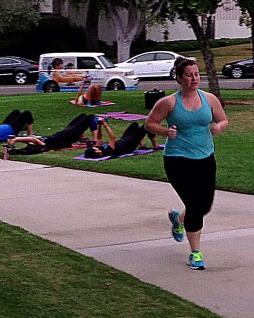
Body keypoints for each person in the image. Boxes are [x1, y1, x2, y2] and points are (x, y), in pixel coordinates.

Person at [145, 56, 228, 271]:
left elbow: (223, 119)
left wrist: (219, 127)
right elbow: (150, 123)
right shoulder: (169, 102)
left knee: (204, 206)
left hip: (205, 158)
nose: (194, 78)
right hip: (177, 160)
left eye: (197, 74)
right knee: (194, 205)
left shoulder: (209, 99)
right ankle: (196, 253)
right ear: (179, 78)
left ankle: (178, 218)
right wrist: (166, 131)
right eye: (189, 75)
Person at [6, 113, 98, 152]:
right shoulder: (44, 145)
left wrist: (14, 139)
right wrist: (16, 139)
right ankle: (95, 140)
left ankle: (82, 137)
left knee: (82, 116)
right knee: (90, 117)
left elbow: (29, 140)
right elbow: (32, 139)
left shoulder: (41, 141)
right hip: (69, 136)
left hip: (64, 132)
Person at [84, 119, 159, 158]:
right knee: (147, 125)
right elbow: (112, 138)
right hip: (128, 145)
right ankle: (155, 146)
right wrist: (105, 124)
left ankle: (142, 146)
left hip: (123, 140)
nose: (94, 147)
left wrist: (99, 125)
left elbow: (99, 137)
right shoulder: (107, 152)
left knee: (134, 125)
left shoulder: (99, 148)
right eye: (93, 148)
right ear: (95, 152)